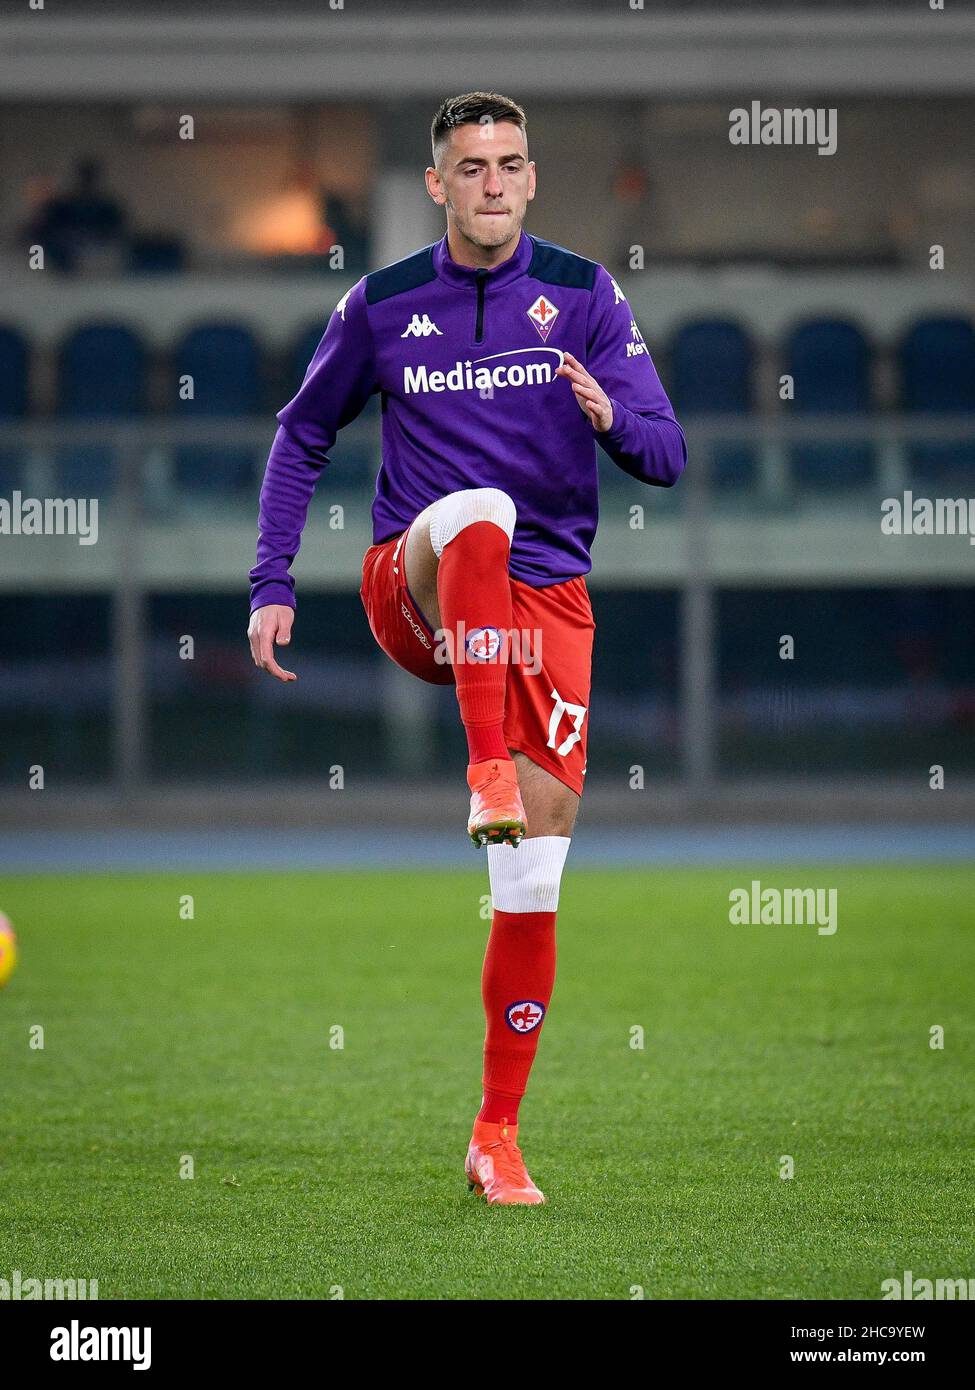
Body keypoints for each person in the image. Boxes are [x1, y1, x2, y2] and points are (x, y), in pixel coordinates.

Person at [248, 92, 686, 1205]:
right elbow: (302, 432)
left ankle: (496, 1134)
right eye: (471, 167)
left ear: (532, 179)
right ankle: (481, 759)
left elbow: (668, 453)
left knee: (532, 879)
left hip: (548, 612)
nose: (493, 183)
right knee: (477, 507)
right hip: (419, 578)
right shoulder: (383, 304)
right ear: (436, 185)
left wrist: (609, 422)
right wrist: (271, 581)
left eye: (511, 164)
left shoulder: (586, 295)